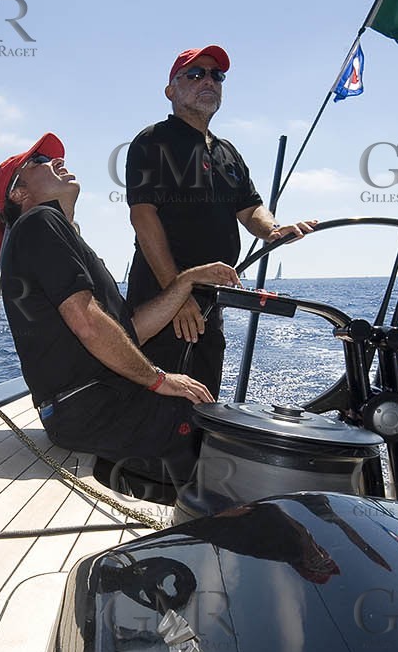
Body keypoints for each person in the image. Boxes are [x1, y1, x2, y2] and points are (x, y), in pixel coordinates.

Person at [0, 132, 239, 489]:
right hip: (90, 408)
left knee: (212, 420)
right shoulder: (39, 222)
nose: (57, 162)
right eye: (41, 162)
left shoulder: (60, 235)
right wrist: (159, 379)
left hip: (94, 404)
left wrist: (184, 282)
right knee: (224, 441)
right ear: (18, 193)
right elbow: (86, 322)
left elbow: (128, 330)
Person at [124, 44, 317, 397]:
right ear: (171, 90)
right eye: (195, 74)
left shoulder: (228, 152)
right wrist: (176, 294)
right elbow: (143, 216)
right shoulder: (153, 142)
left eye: (217, 75)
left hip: (213, 298)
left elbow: (249, 208)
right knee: (155, 407)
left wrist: (271, 230)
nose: (209, 81)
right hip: (162, 297)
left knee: (202, 395)